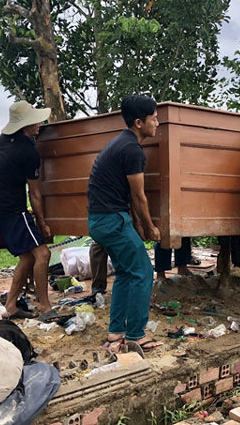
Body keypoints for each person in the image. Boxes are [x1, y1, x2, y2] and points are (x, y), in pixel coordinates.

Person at [87, 94, 162, 352]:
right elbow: (138, 195)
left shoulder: (119, 143)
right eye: (154, 118)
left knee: (124, 273)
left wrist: (137, 226)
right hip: (112, 220)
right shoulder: (132, 150)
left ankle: (115, 332)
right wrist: (150, 227)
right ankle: (136, 335)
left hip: (100, 219)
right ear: (139, 122)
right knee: (143, 272)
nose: (158, 123)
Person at [0, 100, 57, 322]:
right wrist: (42, 222)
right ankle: (45, 307)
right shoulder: (27, 152)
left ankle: (10, 306)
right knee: (43, 254)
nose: (39, 124)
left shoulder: (5, 141)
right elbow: (35, 194)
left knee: (27, 258)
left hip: (0, 208)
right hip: (13, 210)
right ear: (26, 126)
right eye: (35, 121)